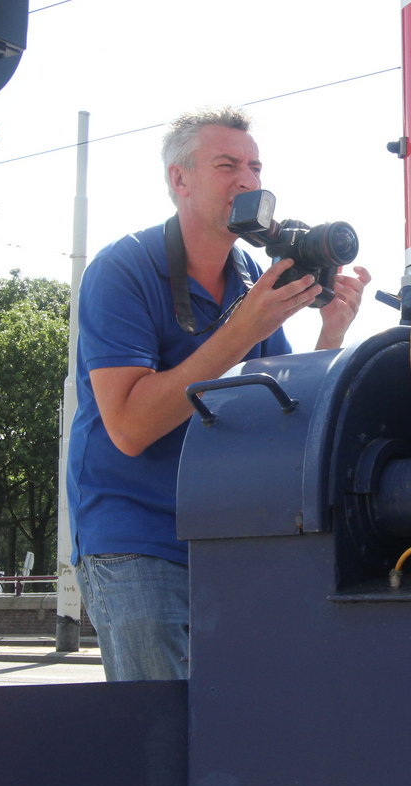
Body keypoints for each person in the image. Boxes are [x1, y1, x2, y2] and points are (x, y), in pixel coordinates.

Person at [66, 107, 369, 682]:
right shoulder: (122, 269)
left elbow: (281, 414)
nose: (248, 181)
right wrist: (242, 331)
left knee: (242, 720)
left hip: (227, 530)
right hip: (135, 537)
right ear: (179, 179)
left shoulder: (251, 274)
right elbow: (129, 427)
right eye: (227, 166)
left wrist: (331, 334)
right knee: (163, 725)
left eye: (255, 168)